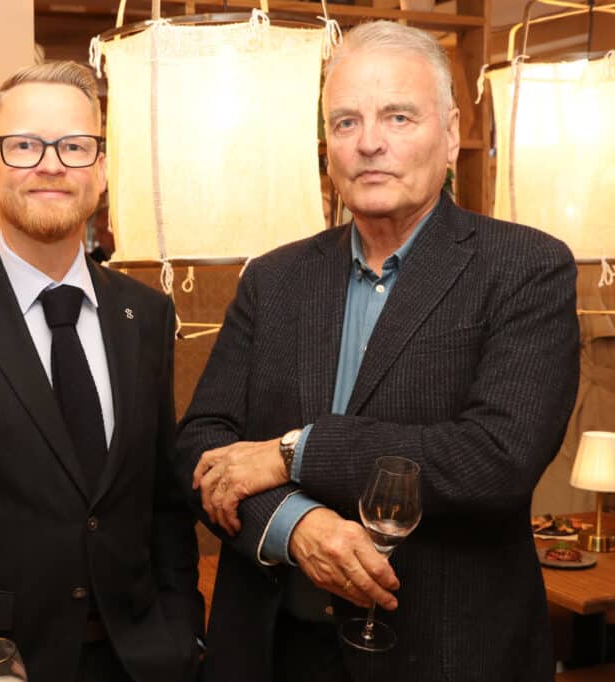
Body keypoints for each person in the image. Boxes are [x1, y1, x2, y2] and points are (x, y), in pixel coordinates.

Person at [176, 20, 580, 682]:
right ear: (327, 146)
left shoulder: (524, 268)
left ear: (451, 132)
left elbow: (493, 460)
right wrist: (296, 526)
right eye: (346, 122)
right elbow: (202, 444)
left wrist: (293, 453)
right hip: (275, 650)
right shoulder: (273, 279)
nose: (369, 142)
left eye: (398, 116)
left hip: (444, 655)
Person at [0, 61, 204, 682]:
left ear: (101, 171)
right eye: (23, 146)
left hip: (140, 658)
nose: (51, 164)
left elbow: (162, 502)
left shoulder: (145, 315)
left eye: (75, 146)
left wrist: (182, 634)